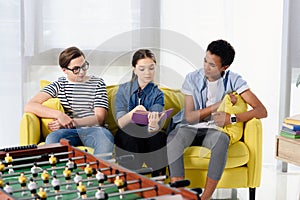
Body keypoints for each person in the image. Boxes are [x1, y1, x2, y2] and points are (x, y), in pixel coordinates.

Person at [167, 39, 267, 200]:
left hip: (215, 130)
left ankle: (205, 197)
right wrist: (219, 105)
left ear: (224, 67)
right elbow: (190, 117)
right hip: (189, 127)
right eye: (205, 61)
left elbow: (261, 111)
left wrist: (232, 118)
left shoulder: (234, 80)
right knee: (173, 138)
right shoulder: (192, 78)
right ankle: (180, 196)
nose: (206, 67)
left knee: (221, 141)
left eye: (212, 65)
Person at [24, 46, 114, 159]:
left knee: (105, 140)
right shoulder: (59, 85)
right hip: (68, 132)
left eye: (84, 66)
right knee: (52, 139)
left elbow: (99, 118)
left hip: (95, 130)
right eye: (76, 69)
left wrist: (70, 122)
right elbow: (30, 105)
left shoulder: (97, 83)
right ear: (64, 70)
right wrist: (59, 115)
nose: (82, 72)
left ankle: (99, 174)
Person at [114, 49, 167, 177]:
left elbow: (155, 125)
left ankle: (158, 181)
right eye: (142, 69)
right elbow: (121, 123)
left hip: (148, 131)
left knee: (159, 138)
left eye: (151, 68)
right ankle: (132, 180)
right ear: (134, 69)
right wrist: (134, 113)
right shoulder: (123, 90)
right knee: (129, 136)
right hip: (128, 132)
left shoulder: (158, 94)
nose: (147, 73)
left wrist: (154, 125)